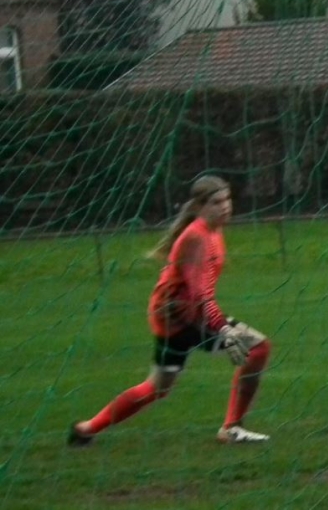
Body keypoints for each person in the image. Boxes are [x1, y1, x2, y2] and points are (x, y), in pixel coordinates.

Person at [68, 176, 273, 445]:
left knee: (158, 387)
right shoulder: (197, 237)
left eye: (227, 199)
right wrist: (224, 328)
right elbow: (200, 296)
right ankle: (231, 428)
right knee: (258, 348)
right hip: (183, 318)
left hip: (174, 315)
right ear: (199, 206)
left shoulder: (212, 230)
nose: (225, 206)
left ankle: (85, 429)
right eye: (216, 202)